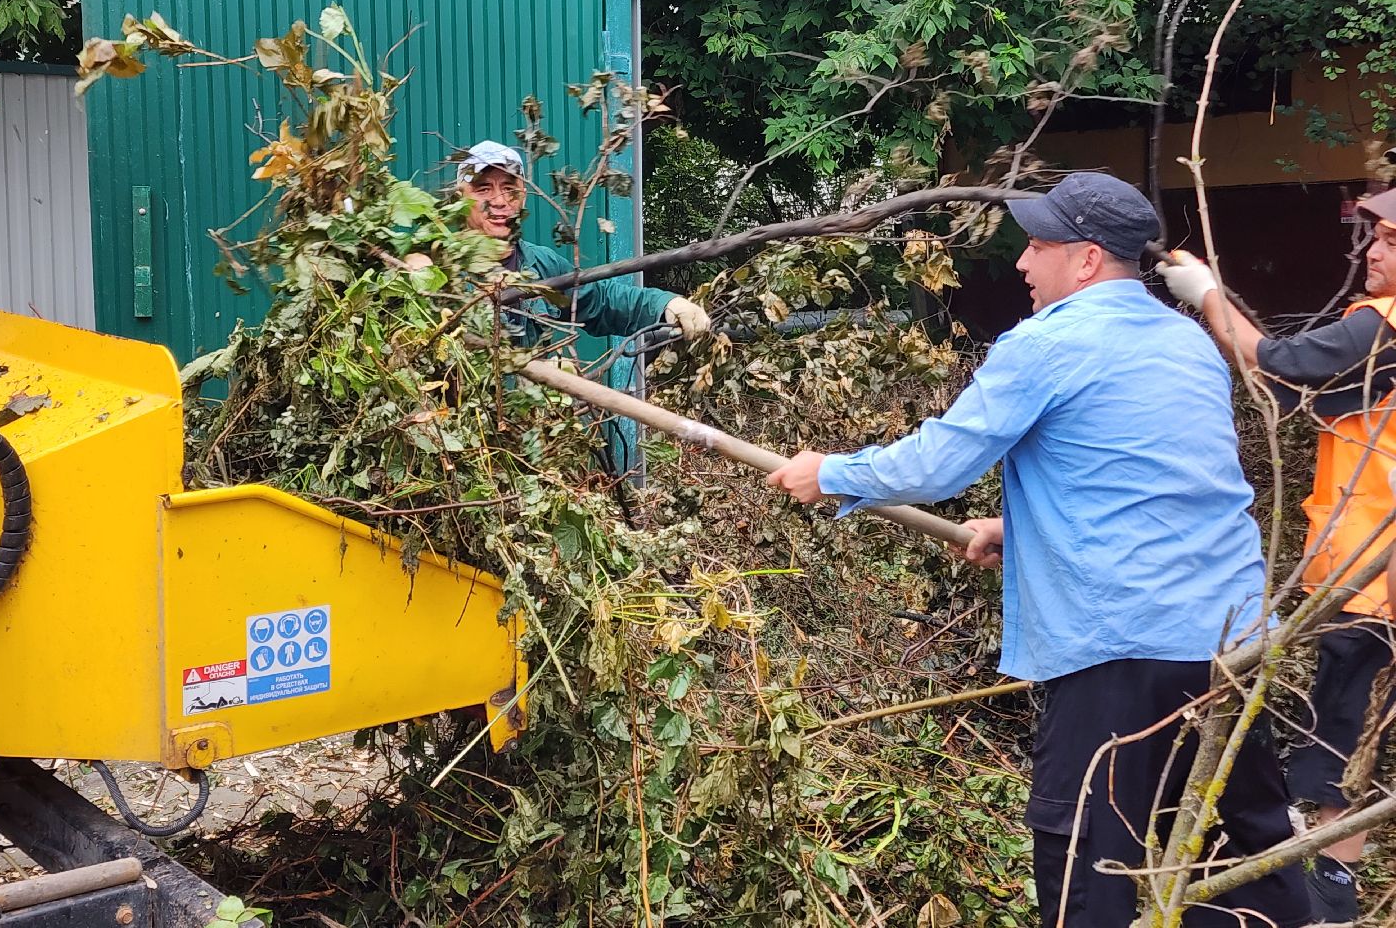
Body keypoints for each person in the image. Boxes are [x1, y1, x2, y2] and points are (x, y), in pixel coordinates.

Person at [766, 172, 1311, 928]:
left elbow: (939, 462)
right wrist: (1016, 528)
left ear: (1086, 260)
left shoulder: (1049, 342)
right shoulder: (1187, 343)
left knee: (1089, 860)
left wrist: (831, 473)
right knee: (1242, 848)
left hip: (1118, 647)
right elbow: (1154, 483)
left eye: (1038, 244)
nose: (1023, 263)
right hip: (1230, 638)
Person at [1158, 190, 1396, 925]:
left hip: (1374, 578)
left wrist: (1206, 294)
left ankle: (1333, 885)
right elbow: (1320, 397)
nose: (1371, 253)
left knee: (1345, 737)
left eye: (1388, 240)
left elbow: (1281, 362)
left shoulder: (1383, 327)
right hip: (1370, 570)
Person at [455, 140, 708, 349]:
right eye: (483, 189)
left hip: (530, 409)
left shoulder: (541, 265)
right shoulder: (438, 269)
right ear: (459, 198)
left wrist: (665, 304)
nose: (499, 201)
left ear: (523, 196)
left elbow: (602, 300)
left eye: (509, 188)